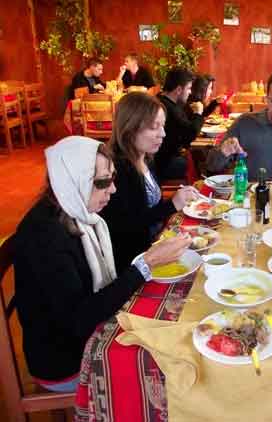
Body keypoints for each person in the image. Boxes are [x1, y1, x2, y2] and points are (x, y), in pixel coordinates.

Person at [13, 136, 192, 392]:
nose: (113, 189)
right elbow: (80, 319)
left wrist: (146, 264)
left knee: (172, 327)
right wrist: (146, 264)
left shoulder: (78, 213)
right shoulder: (44, 236)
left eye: (112, 179)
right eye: (102, 182)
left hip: (82, 334)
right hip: (64, 361)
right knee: (172, 365)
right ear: (72, 180)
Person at [100, 92, 199, 271]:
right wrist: (171, 205)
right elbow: (127, 227)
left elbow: (151, 211)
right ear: (130, 129)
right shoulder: (117, 169)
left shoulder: (145, 158)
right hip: (135, 261)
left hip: (154, 245)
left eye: (162, 126)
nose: (163, 134)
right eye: (154, 127)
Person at [154, 67, 204, 180]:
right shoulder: (167, 108)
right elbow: (190, 135)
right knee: (201, 165)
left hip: (165, 158)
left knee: (198, 156)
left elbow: (185, 127)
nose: (190, 92)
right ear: (178, 90)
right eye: (189, 88)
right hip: (164, 163)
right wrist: (198, 113)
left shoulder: (164, 101)